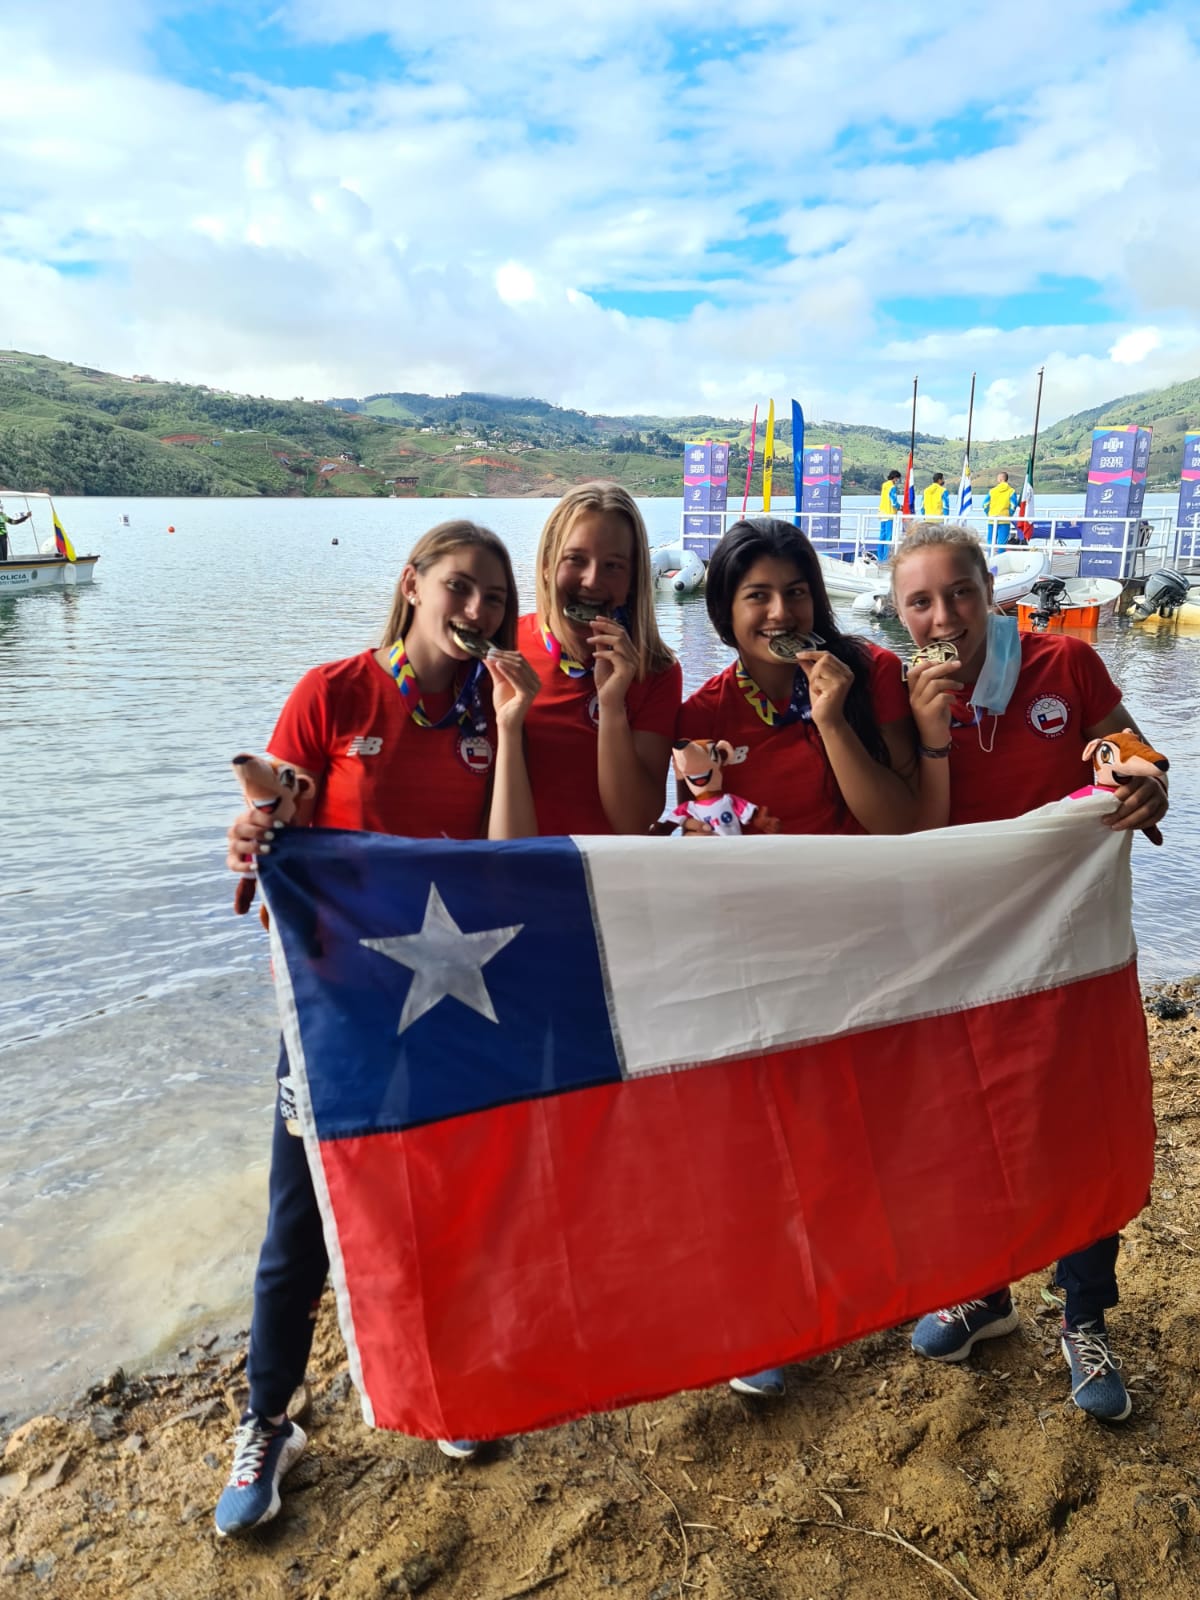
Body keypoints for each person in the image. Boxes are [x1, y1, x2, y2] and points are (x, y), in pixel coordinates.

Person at [214, 521, 542, 1537]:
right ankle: (269, 1420)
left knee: (448, 1199)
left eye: (496, 595)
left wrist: (519, 727)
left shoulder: (495, 710)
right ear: (412, 586)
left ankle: (449, 1389)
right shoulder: (335, 692)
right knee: (298, 1223)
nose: (480, 611)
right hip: (336, 1006)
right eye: (461, 587)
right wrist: (254, 835)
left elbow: (513, 862)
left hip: (455, 997)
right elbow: (275, 824)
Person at [891, 520, 1168, 1422]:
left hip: (1071, 949)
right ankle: (985, 1291)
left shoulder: (1065, 667)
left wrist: (1140, 775)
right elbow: (906, 838)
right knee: (974, 1123)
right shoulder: (899, 699)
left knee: (1079, 1123)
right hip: (966, 957)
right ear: (898, 615)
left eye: (960, 592)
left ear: (992, 592)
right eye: (921, 601)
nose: (945, 616)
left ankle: (1084, 1316)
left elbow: (1131, 750)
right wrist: (926, 731)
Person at [675, 516, 930, 1398]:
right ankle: (764, 1318)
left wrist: (830, 720)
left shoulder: (871, 674)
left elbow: (901, 823)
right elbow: (692, 834)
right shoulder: (701, 715)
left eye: (796, 592)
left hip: (866, 935)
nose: (780, 610)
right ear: (725, 612)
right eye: (757, 596)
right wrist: (729, 830)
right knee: (760, 1130)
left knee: (861, 1119)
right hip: (763, 946)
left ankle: (870, 1282)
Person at [521, 482, 682, 835]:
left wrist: (612, 705)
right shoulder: (505, 647)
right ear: (547, 565)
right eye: (576, 559)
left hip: (611, 880)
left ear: (633, 580)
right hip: (519, 872)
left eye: (613, 566)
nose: (592, 581)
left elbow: (634, 822)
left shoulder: (656, 671)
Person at [984, 471, 1019, 546]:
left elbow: (985, 505)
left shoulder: (992, 491)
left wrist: (989, 514)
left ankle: (990, 556)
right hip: (1004, 520)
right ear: (1006, 479)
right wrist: (1009, 514)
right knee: (1002, 543)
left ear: (999, 479)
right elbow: (1013, 505)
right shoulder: (1011, 491)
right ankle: (1001, 556)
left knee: (990, 541)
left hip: (992, 519)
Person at [877, 469, 902, 560]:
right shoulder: (892, 487)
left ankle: (880, 558)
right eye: (898, 479)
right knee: (889, 537)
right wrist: (900, 507)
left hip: (882, 513)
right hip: (890, 514)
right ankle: (886, 559)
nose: (898, 481)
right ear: (895, 478)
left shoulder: (884, 485)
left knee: (882, 537)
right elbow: (894, 502)